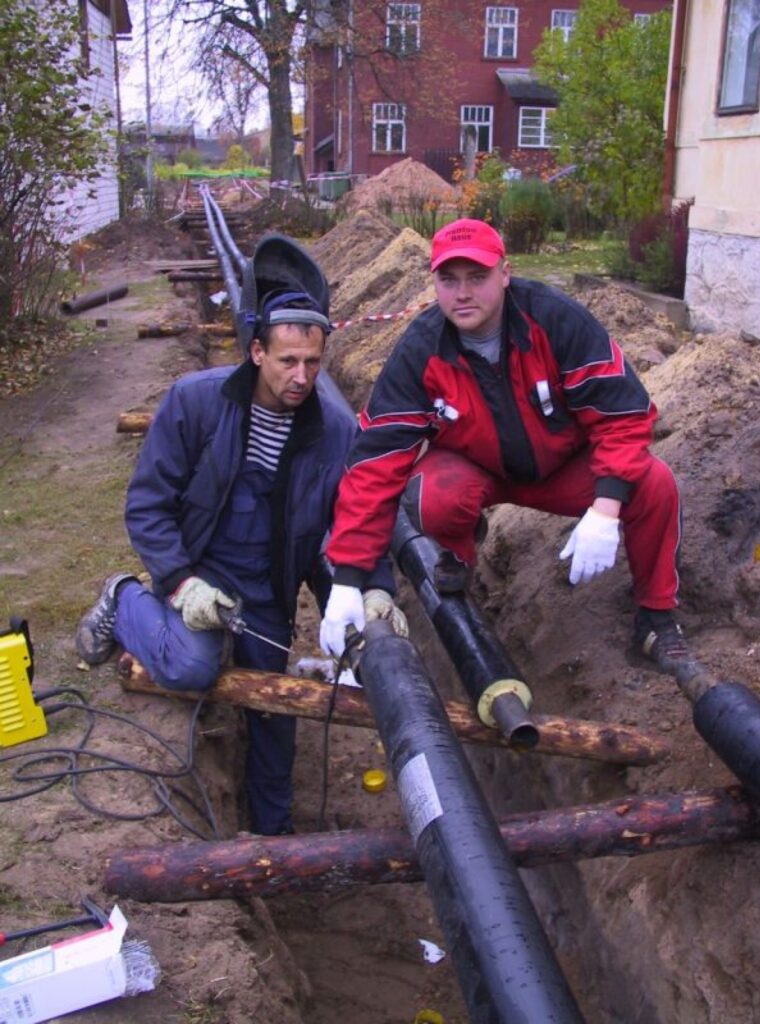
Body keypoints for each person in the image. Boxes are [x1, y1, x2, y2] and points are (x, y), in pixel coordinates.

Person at [75, 233, 406, 836]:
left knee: (277, 713)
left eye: (313, 362)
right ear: (256, 352)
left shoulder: (333, 432)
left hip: (269, 591)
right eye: (288, 362)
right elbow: (148, 505)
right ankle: (123, 600)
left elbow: (355, 523)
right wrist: (178, 583)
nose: (303, 377)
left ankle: (271, 836)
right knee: (193, 668)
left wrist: (373, 590)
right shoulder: (196, 404)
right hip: (200, 571)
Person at [319, 217, 690, 675]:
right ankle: (457, 561)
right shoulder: (422, 349)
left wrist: (606, 508)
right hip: (479, 471)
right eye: (448, 280)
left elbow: (623, 415)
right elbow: (375, 463)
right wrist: (347, 580)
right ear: (433, 282)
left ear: (505, 273)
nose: (463, 293)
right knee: (431, 494)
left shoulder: (554, 320)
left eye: (477, 277)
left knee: (654, 484)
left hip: (564, 466)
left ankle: (656, 618)